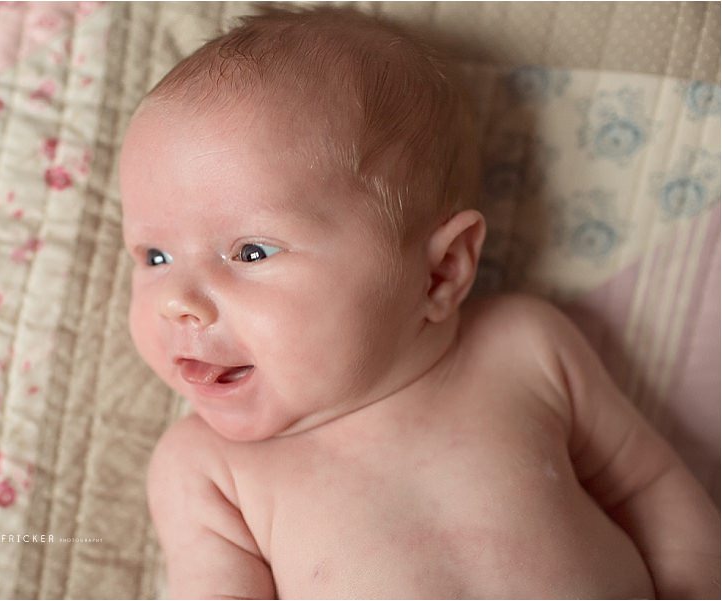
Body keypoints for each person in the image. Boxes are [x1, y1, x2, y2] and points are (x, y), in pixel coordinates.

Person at [117, 5, 720, 598]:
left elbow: (649, 486)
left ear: (439, 273)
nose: (177, 302)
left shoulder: (524, 349)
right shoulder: (208, 470)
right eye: (155, 257)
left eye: (250, 252)